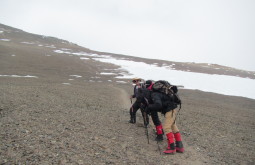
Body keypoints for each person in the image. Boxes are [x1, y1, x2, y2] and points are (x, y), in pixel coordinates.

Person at [146, 84, 184, 154]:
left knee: (167, 127)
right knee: (173, 126)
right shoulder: (160, 92)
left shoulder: (155, 94)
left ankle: (172, 147)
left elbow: (158, 105)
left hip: (170, 110)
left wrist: (149, 107)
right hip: (173, 109)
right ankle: (179, 146)